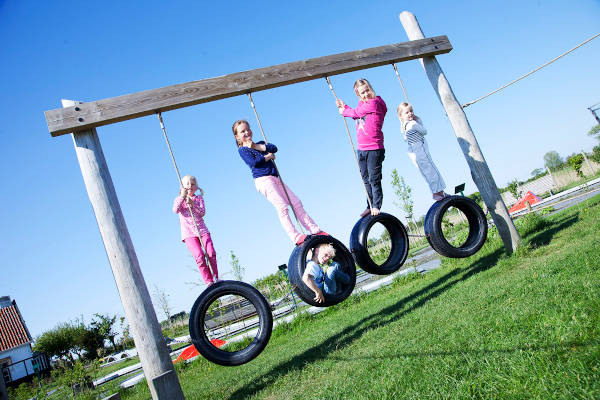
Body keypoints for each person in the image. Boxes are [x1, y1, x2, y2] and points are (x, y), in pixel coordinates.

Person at [232, 120, 328, 245]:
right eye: (242, 131)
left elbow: (274, 148)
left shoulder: (259, 144)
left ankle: (315, 229)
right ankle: (295, 236)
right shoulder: (243, 150)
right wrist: (268, 156)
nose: (247, 132)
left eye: (248, 129)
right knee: (282, 206)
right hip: (263, 180)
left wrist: (257, 147)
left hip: (275, 178)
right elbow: (254, 162)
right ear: (237, 136)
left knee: (296, 202)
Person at [335, 78, 387, 217]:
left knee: (374, 178)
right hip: (362, 149)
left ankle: (376, 205)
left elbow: (355, 113)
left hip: (374, 148)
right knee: (365, 179)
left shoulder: (374, 103)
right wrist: (344, 107)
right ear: (358, 95)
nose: (365, 94)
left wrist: (344, 111)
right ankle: (369, 205)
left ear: (370, 88)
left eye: (367, 90)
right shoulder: (362, 106)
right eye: (362, 93)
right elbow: (356, 114)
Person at [173, 175, 219, 286]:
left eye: (193, 184)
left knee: (211, 252)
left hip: (202, 231)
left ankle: (215, 277)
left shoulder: (198, 198)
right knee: (199, 255)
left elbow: (202, 212)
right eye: (187, 184)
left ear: (196, 187)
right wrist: (182, 197)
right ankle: (208, 281)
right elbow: (175, 210)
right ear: (182, 187)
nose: (190, 186)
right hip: (189, 234)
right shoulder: (179, 200)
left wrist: (193, 204)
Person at [397, 102, 448, 201]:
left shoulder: (404, 126)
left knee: (427, 172)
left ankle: (440, 192)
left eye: (411, 111)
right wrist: (418, 119)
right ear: (401, 116)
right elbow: (424, 131)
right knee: (431, 170)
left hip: (414, 152)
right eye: (407, 112)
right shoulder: (413, 123)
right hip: (420, 150)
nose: (410, 114)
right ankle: (436, 192)